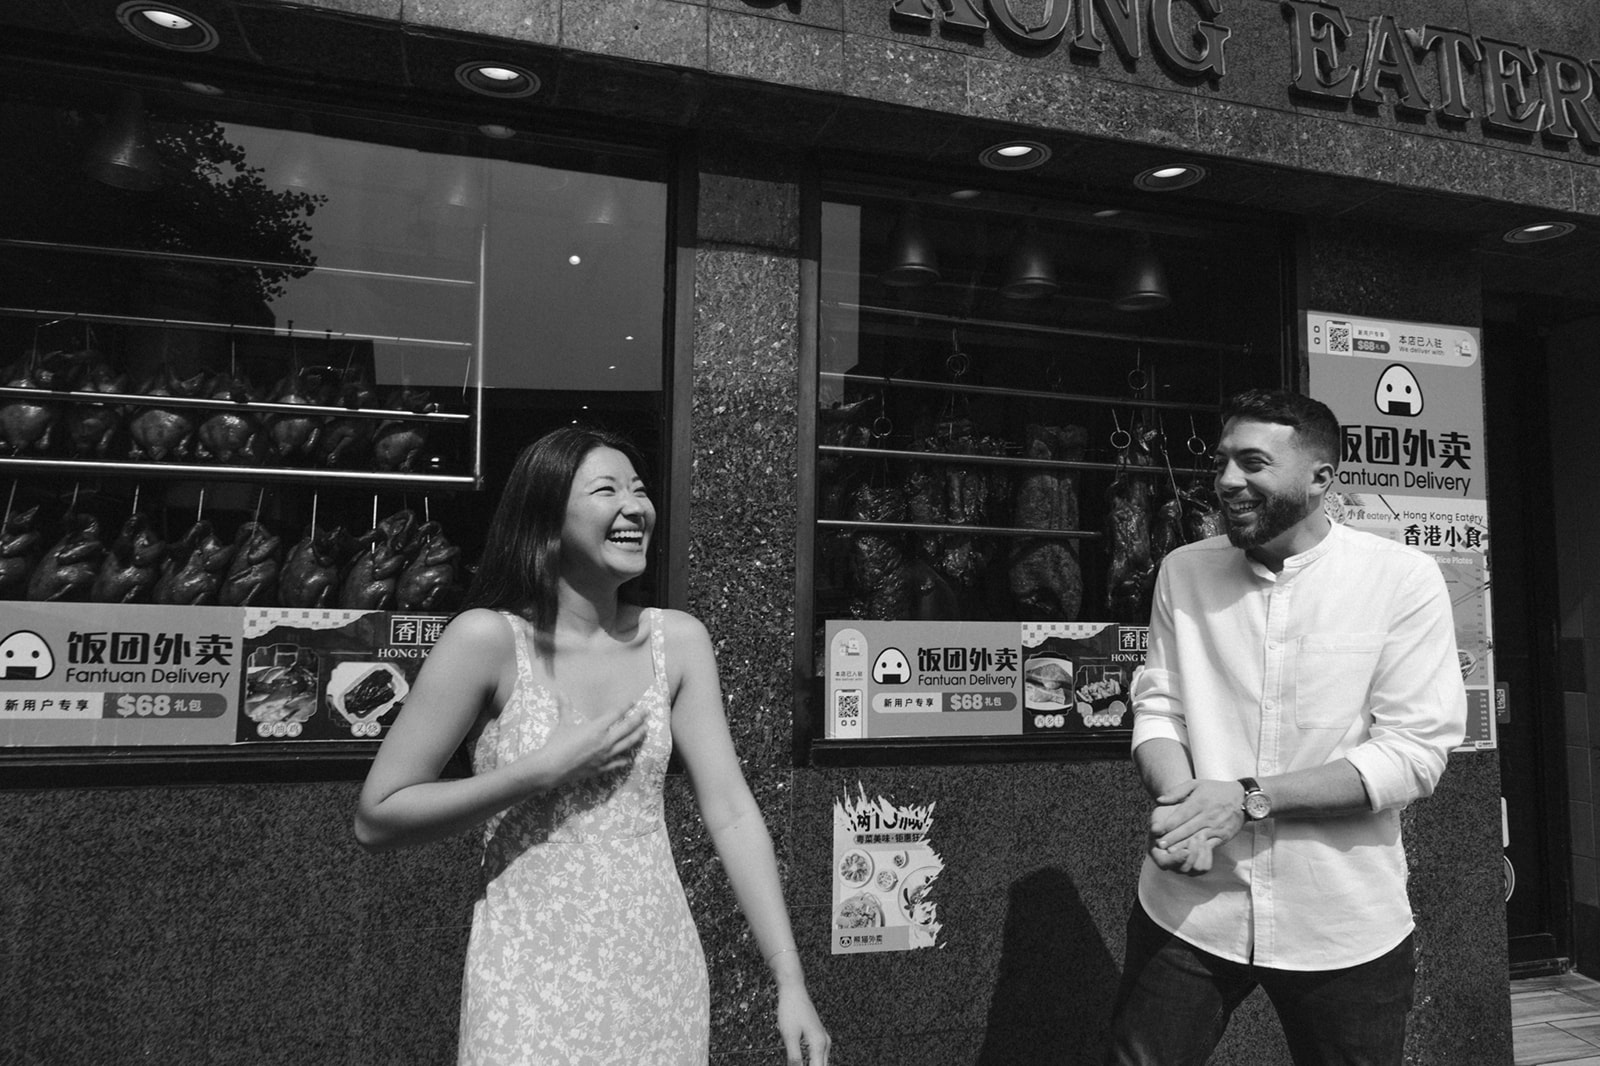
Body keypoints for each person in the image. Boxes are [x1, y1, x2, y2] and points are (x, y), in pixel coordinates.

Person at [354, 424, 830, 1066]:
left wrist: (790, 981)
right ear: (546, 518)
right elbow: (377, 816)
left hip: (656, 975)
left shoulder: (679, 642)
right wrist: (537, 772)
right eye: (607, 489)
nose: (636, 506)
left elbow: (732, 810)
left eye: (638, 489)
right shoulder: (486, 641)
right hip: (525, 981)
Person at [1103, 388, 1467, 1066]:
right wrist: (1186, 808)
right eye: (1222, 463)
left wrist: (1243, 800)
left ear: (1320, 478)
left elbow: (1413, 754)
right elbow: (1159, 706)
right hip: (1191, 910)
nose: (1228, 481)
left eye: (1253, 463)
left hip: (1340, 919)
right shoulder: (1184, 572)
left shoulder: (1400, 580)